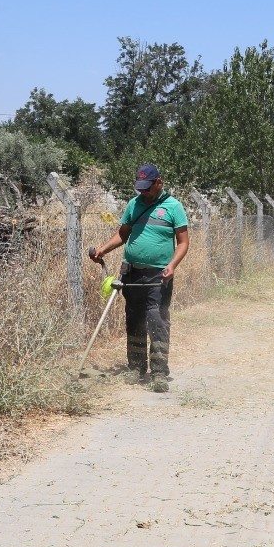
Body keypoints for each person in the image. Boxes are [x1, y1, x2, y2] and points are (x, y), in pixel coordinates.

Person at [88, 163, 190, 391]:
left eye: (147, 188)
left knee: (157, 320)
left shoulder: (174, 207)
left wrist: (173, 265)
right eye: (140, 188)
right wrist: (103, 249)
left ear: (158, 182)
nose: (143, 192)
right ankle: (136, 368)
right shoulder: (134, 205)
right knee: (134, 319)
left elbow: (183, 243)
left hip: (159, 275)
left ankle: (159, 373)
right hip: (132, 272)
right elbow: (123, 234)